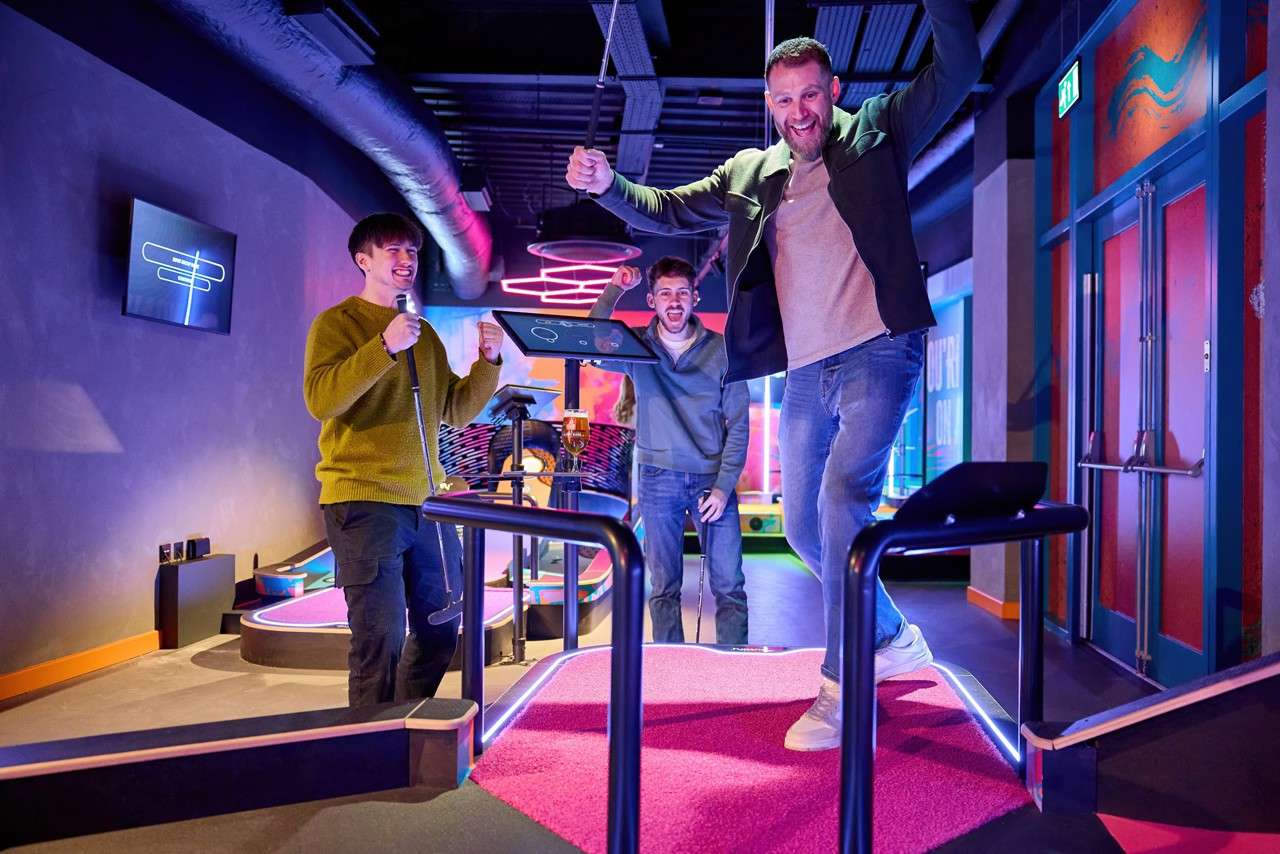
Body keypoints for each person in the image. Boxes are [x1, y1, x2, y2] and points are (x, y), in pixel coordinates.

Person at [566, 0, 980, 749]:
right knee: (799, 526)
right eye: (785, 99)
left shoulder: (880, 128)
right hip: (805, 369)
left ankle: (841, 684)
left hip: (880, 348)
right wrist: (608, 186)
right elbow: (667, 208)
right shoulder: (751, 173)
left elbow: (960, 69)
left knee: (843, 504)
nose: (800, 112)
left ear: (835, 90)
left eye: (811, 95)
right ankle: (892, 636)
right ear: (770, 103)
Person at [303, 213, 503, 707]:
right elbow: (321, 399)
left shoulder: (424, 334)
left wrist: (488, 363)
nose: (405, 260)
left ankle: (401, 723)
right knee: (381, 640)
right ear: (363, 260)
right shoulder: (339, 323)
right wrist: (384, 347)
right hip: (363, 501)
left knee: (441, 629)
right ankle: (369, 748)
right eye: (392, 250)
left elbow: (454, 408)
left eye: (411, 252)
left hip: (427, 504)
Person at [589, 257, 750, 645]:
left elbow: (739, 425)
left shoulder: (722, 352)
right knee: (663, 587)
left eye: (682, 293)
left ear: (695, 297)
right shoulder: (638, 348)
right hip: (658, 478)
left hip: (712, 480)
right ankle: (670, 671)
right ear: (652, 300)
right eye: (665, 294)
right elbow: (591, 339)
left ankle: (738, 668)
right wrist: (613, 287)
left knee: (730, 585)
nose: (674, 301)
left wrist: (723, 486)